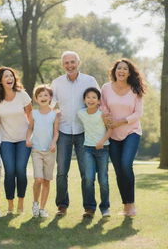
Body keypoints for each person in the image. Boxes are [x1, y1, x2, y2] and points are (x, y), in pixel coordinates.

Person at [51, 51, 99, 216]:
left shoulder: (89, 80)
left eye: (72, 62)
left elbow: (98, 102)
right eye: (66, 63)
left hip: (84, 131)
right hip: (64, 131)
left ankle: (89, 207)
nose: (69, 65)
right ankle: (62, 206)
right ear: (62, 65)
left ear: (78, 63)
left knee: (86, 172)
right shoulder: (57, 83)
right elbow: (50, 105)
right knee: (62, 171)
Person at [101, 59, 145, 217]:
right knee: (119, 170)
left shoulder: (135, 89)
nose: (122, 71)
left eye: (125, 69)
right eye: (119, 68)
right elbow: (103, 105)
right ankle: (126, 206)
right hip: (112, 134)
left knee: (126, 165)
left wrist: (121, 121)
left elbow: (138, 113)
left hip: (131, 132)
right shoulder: (106, 88)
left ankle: (131, 205)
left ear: (129, 72)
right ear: (115, 71)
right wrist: (106, 117)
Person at [0, 67, 32, 214]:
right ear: (0, 80)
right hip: (5, 139)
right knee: (10, 171)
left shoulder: (22, 95)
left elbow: (31, 118)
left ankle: (20, 203)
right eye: (6, 76)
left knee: (20, 170)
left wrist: (30, 137)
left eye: (11, 76)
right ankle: (10, 205)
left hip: (23, 139)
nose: (10, 78)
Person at [26, 85, 60, 218]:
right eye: (40, 96)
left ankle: (42, 208)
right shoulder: (33, 113)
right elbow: (30, 128)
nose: (43, 98)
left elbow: (56, 133)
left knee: (46, 180)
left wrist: (53, 143)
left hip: (50, 151)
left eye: (46, 95)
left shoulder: (54, 115)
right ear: (36, 99)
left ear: (50, 97)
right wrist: (28, 139)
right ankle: (35, 203)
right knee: (38, 179)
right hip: (37, 150)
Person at [77, 87, 111, 218]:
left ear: (98, 101)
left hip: (103, 149)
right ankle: (89, 208)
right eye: (88, 97)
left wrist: (102, 141)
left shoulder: (102, 114)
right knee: (88, 179)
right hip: (88, 150)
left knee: (103, 180)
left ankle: (105, 208)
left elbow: (110, 130)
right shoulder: (80, 113)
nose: (90, 99)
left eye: (94, 97)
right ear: (84, 100)